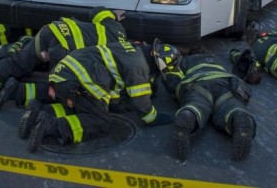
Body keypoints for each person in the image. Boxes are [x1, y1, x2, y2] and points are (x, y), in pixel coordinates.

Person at [22, 37, 181, 153]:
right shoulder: (139, 67)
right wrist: (159, 117)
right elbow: (144, 109)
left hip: (62, 75)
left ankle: (38, 114)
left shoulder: (133, 48)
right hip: (78, 80)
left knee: (85, 108)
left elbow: (115, 81)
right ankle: (50, 127)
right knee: (101, 121)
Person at [0, 7, 127, 108]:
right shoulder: (114, 61)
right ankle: (25, 100)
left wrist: (113, 14)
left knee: (17, 63)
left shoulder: (117, 29)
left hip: (53, 30)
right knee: (64, 89)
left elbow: (98, 12)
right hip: (63, 49)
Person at [163, 52, 256, 163]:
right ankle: (237, 115)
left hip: (198, 83)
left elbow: (172, 83)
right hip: (225, 81)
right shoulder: (215, 58)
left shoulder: (184, 61)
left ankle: (189, 113)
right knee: (229, 105)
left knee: (197, 104)